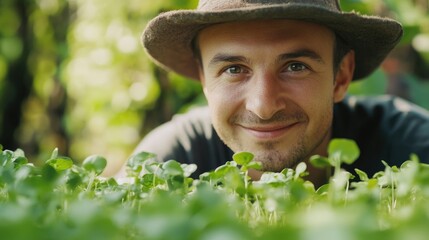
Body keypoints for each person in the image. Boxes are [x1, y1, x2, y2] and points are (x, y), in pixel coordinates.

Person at [117, 0, 429, 186]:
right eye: (234, 69)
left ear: (340, 77)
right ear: (204, 80)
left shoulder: (414, 147)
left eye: (295, 66)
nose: (264, 106)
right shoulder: (174, 157)